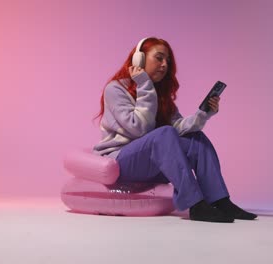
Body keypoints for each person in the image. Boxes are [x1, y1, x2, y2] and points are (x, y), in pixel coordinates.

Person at [93, 37, 257, 223]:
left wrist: (203, 114)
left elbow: (178, 127)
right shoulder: (115, 89)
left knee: (196, 139)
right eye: (159, 58)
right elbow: (138, 129)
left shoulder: (158, 95)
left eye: (167, 61)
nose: (164, 65)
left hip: (151, 161)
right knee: (165, 134)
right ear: (139, 60)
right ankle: (195, 204)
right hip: (121, 161)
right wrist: (144, 85)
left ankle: (220, 201)